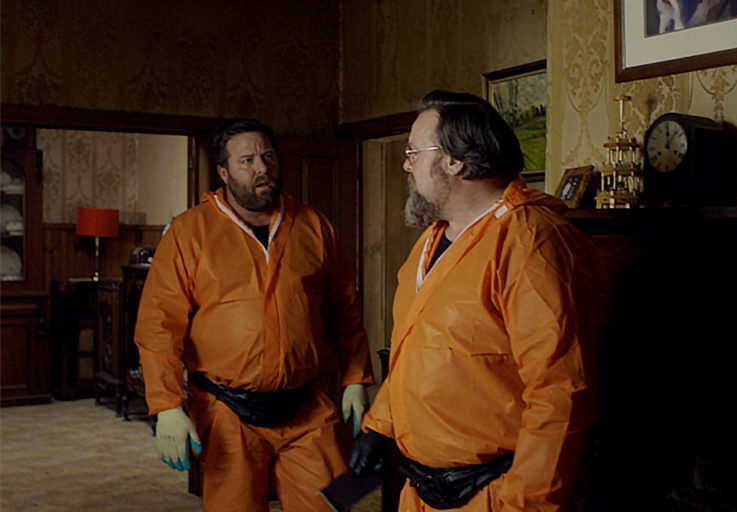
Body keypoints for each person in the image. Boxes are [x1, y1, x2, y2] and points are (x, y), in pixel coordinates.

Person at [349, 90, 598, 511]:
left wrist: (524, 504)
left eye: (413, 153)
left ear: (454, 162)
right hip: (421, 490)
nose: (406, 165)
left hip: (493, 495)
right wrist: (379, 428)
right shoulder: (430, 242)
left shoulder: (529, 242)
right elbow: (416, 354)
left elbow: (559, 393)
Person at [134, 118, 374, 511]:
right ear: (224, 172)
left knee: (332, 504)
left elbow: (344, 309)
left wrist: (355, 378)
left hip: (306, 407)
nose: (262, 167)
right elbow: (158, 325)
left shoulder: (313, 225)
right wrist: (167, 408)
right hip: (228, 411)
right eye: (247, 160)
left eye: (268, 156)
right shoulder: (190, 231)